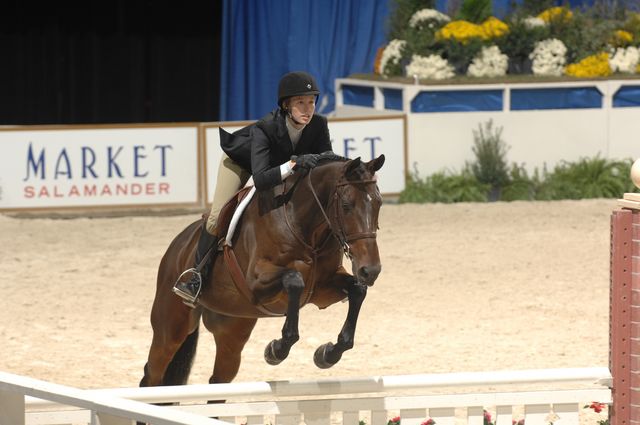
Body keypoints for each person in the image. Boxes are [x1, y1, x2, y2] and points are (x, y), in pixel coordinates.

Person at [173, 71, 334, 306]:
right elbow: (260, 179)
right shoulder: (265, 128)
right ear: (287, 105)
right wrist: (292, 164)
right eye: (301, 102)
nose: (308, 108)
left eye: (311, 101)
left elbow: (326, 158)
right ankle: (196, 276)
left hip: (276, 168)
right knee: (216, 218)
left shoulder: (319, 124)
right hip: (241, 163)